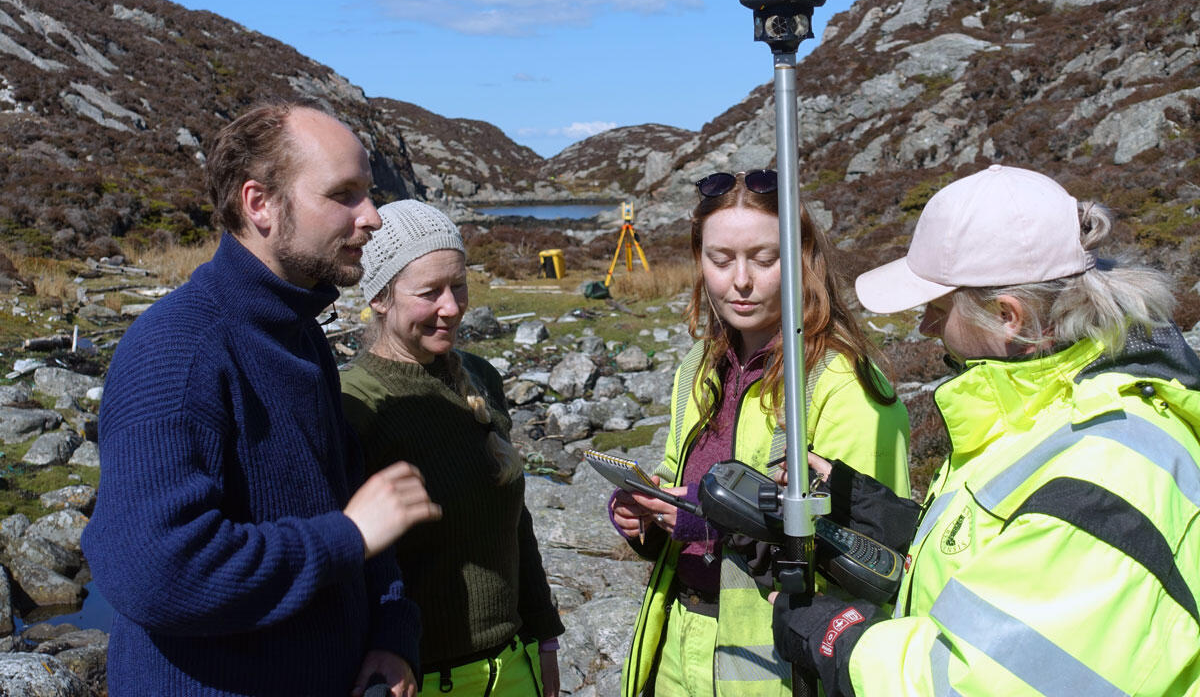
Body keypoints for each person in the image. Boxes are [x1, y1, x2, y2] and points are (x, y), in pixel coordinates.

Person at [772, 164, 1200, 696]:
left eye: (937, 307)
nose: (925, 327)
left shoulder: (1106, 474)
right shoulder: (1044, 417)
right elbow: (1012, 561)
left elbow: (978, 682)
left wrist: (840, 641)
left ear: (1008, 316)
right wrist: (888, 519)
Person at [82, 102, 442, 697]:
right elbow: (156, 572)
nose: (373, 217)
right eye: (344, 194)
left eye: (368, 193)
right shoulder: (178, 352)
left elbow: (348, 504)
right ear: (259, 204)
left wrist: (391, 632)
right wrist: (346, 538)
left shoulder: (299, 334)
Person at [611, 169, 911, 697]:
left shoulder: (845, 386)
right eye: (720, 260)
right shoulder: (698, 366)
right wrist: (645, 514)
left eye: (765, 259)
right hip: (679, 647)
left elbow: (876, 558)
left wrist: (702, 523)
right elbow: (672, 476)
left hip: (777, 666)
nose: (740, 280)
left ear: (802, 259)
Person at [340, 200, 565, 696]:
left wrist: (545, 638)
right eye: (429, 292)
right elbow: (355, 566)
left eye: (458, 285)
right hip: (421, 679)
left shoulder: (480, 378)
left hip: (516, 666)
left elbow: (514, 522)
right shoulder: (356, 404)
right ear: (380, 297)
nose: (452, 306)